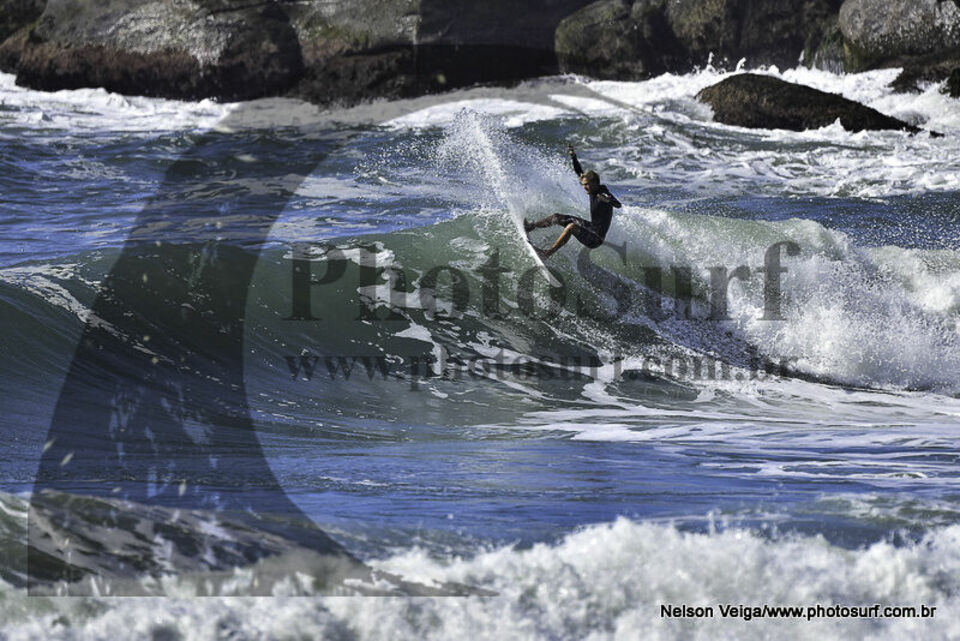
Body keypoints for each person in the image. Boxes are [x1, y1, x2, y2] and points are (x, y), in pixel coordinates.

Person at [524, 145, 622, 258]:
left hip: (596, 238)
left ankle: (547, 253)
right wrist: (573, 156)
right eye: (583, 184)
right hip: (591, 227)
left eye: (586, 185)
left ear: (595, 183)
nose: (584, 187)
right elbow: (579, 172)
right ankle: (531, 226)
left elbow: (618, 204)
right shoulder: (592, 189)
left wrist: (608, 200)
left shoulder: (603, 193)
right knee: (558, 217)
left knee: (571, 227)